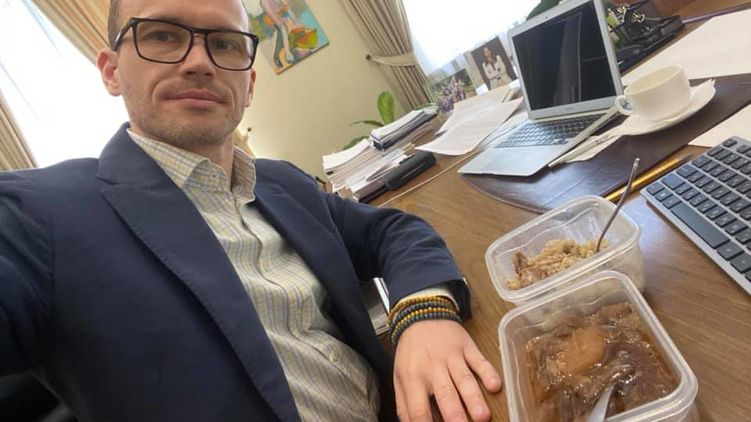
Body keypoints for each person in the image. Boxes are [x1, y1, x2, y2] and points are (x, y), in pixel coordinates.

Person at [0, 0, 502, 421]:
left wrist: (423, 314)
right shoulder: (39, 216)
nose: (199, 61)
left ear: (250, 84)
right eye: (163, 36)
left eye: (225, 44)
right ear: (111, 71)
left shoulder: (282, 183)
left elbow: (392, 231)